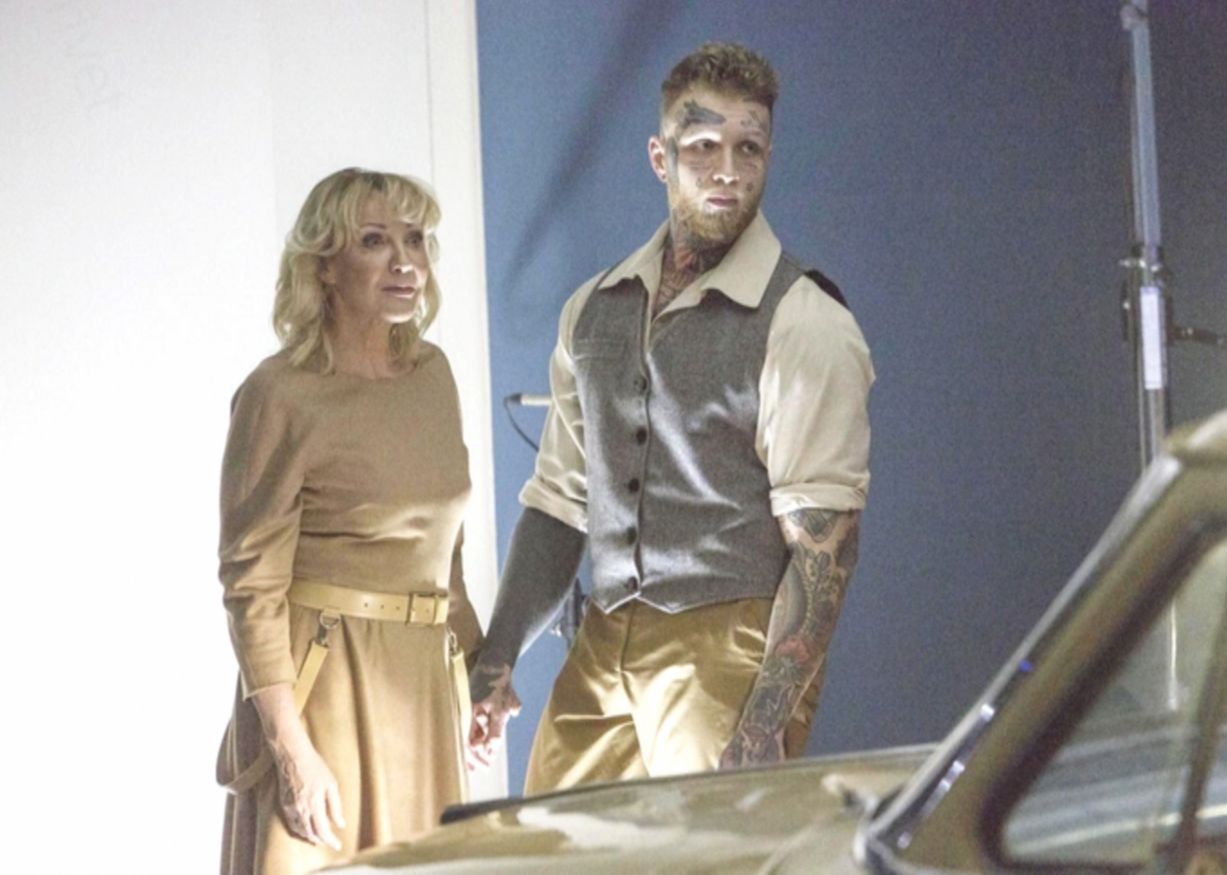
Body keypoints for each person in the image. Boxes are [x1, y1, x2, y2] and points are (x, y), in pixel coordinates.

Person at [466, 42, 874, 793]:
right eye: (703, 146)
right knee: (557, 834)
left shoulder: (803, 319)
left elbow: (825, 552)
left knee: (713, 846)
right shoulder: (593, 309)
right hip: (604, 638)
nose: (727, 170)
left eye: (748, 148)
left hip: (730, 645)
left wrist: (762, 724)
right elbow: (559, 503)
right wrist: (496, 658)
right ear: (661, 157)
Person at [215, 168, 484, 873]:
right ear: (324, 267)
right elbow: (251, 588)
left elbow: (445, 556)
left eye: (415, 240)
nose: (404, 262)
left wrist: (480, 671)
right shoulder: (279, 393)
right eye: (373, 241)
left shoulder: (433, 375)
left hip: (422, 688)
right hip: (324, 688)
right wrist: (291, 750)